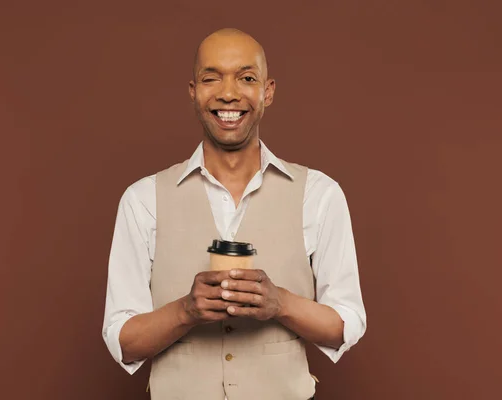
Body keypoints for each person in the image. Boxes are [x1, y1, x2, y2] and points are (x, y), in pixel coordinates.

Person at [102, 28, 367, 400]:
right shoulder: (143, 200)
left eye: (246, 78)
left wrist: (280, 303)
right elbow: (123, 340)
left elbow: (346, 324)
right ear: (193, 91)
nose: (228, 93)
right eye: (212, 78)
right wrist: (185, 311)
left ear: (268, 91)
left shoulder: (319, 195)